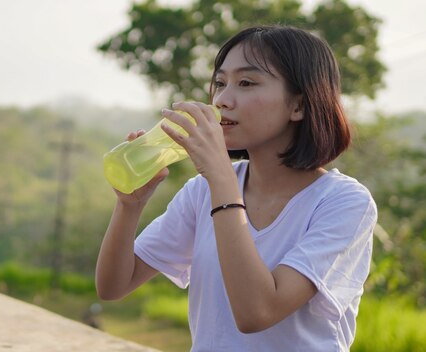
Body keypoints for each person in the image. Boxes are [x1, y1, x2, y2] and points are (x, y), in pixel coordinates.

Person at [95, 25, 377, 352]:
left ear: (298, 105)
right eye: (219, 83)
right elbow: (114, 285)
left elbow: (257, 313)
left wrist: (220, 179)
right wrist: (129, 206)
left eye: (246, 83)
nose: (222, 100)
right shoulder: (203, 190)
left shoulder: (343, 203)